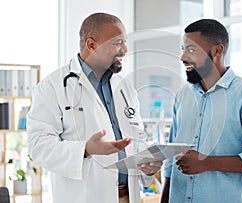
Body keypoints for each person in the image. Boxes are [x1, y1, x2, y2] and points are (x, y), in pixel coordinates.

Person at [27, 13, 161, 203]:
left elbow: (136, 139)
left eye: (125, 42)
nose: (125, 49)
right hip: (85, 197)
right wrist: (86, 149)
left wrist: (147, 163)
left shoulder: (125, 88)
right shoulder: (52, 87)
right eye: (117, 43)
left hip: (127, 196)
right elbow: (38, 146)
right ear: (92, 45)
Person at [160, 19, 242, 203]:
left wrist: (207, 163)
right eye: (182, 49)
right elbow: (172, 156)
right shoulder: (183, 95)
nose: (183, 57)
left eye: (191, 49)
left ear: (217, 51)